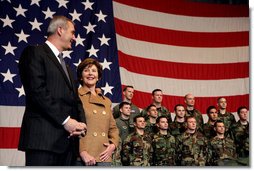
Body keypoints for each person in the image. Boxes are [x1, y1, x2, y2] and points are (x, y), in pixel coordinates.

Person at [18, 16, 87, 166]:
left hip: (68, 145)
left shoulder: (67, 68)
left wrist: (81, 125)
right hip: (43, 141)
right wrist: (66, 121)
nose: (74, 38)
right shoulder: (34, 53)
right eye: (72, 32)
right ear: (60, 30)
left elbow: (75, 99)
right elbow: (38, 92)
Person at [76, 57, 119, 166]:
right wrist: (83, 152)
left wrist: (113, 145)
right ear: (81, 76)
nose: (90, 74)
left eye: (94, 71)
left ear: (98, 77)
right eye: (86, 70)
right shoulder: (75, 97)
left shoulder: (106, 101)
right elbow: (73, 129)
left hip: (104, 155)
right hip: (83, 156)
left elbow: (113, 128)